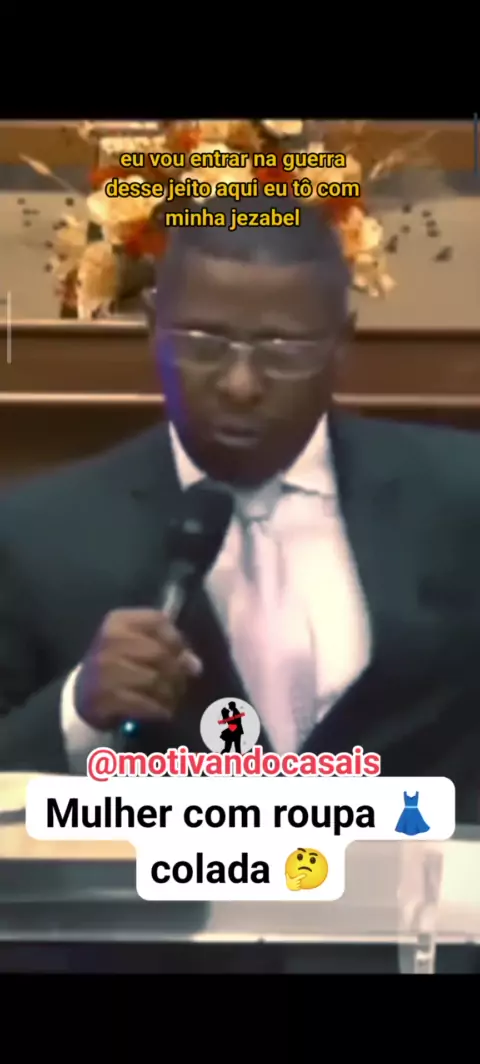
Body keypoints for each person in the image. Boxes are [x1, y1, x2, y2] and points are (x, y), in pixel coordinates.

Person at [1, 192, 480, 827]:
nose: (240, 384)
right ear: (152, 326)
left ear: (341, 342)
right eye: (205, 343)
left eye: (282, 349)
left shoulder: (460, 497)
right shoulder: (37, 535)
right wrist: (77, 712)